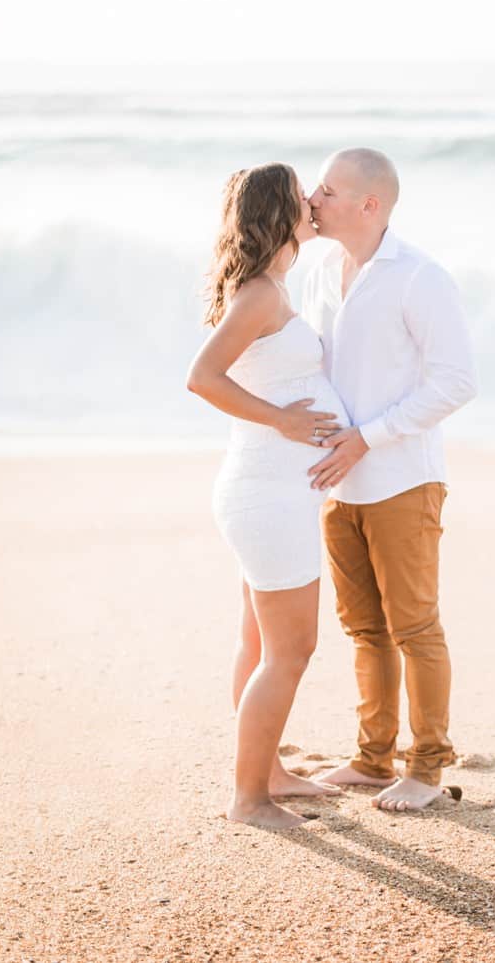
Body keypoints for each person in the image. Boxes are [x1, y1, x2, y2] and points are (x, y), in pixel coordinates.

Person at [301, 148, 478, 813]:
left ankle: (427, 769)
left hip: (402, 479)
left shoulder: (420, 277)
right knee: (365, 630)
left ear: (368, 205)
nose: (313, 200)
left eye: (327, 191)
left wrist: (367, 439)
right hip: (335, 483)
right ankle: (373, 758)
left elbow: (457, 381)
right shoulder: (318, 268)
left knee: (415, 628)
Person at [187, 163, 347, 829]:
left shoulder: (273, 287)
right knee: (292, 649)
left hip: (271, 493)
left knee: (258, 645)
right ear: (277, 212)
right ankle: (248, 799)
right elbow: (202, 377)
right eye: (301, 194)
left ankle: (269, 774)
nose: (313, 200)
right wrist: (284, 420)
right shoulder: (258, 294)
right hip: (266, 496)